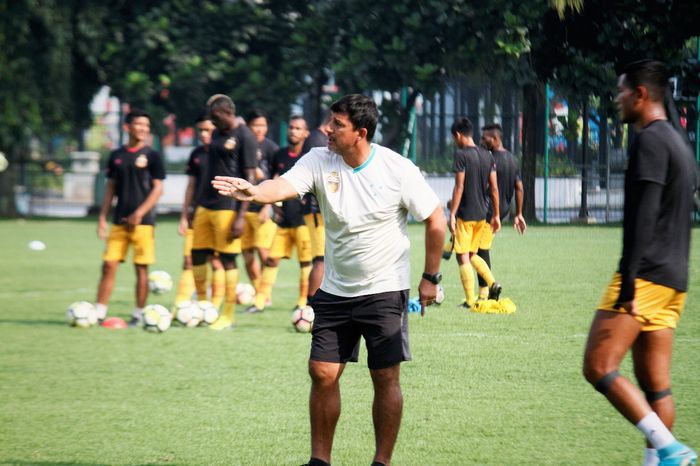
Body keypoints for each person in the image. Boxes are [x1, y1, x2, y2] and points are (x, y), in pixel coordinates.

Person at [212, 94, 445, 466]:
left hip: (384, 289)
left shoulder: (396, 169)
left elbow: (436, 219)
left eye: (337, 124)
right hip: (335, 291)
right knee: (321, 373)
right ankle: (319, 461)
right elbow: (284, 185)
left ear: (360, 133)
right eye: (330, 121)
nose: (327, 129)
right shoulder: (319, 159)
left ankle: (381, 462)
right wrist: (255, 192)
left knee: (384, 377)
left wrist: (430, 277)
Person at [582, 60, 697, 466]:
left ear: (641, 95)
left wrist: (628, 281)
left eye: (622, 92)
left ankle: (670, 450)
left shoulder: (649, 140)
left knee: (598, 365)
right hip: (674, 279)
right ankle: (661, 461)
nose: (617, 100)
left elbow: (644, 216)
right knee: (657, 388)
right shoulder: (680, 143)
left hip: (644, 276)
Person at [190, 94, 257, 330]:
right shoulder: (218, 134)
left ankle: (228, 315)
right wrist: (193, 206)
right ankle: (203, 308)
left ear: (227, 112)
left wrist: (241, 216)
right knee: (197, 254)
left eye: (215, 117)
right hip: (204, 205)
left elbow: (249, 177)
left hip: (227, 207)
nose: (212, 122)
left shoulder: (245, 135)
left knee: (227, 259)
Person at [95, 109, 165, 326]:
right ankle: (99, 312)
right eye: (139, 124)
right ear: (127, 127)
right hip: (119, 221)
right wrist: (102, 217)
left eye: (146, 125)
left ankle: (138, 313)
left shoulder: (153, 156)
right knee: (108, 265)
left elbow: (158, 189)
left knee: (141, 268)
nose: (143, 129)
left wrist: (140, 213)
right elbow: (111, 188)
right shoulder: (116, 156)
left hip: (143, 224)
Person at [247, 116, 312, 313]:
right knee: (271, 259)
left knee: (306, 262)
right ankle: (260, 301)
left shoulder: (310, 158)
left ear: (306, 133)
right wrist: (272, 205)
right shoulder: (280, 155)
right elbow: (274, 180)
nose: (293, 131)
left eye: (298, 128)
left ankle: (302, 302)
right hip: (283, 220)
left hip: (303, 221)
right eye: (291, 127)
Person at [448, 116, 501, 308]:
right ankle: (493, 283)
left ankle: (470, 301)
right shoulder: (488, 155)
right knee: (471, 254)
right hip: (482, 213)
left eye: (455, 138)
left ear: (459, 135)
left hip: (466, 213)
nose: (455, 141)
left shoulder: (461, 155)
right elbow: (494, 189)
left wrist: (452, 214)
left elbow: (459, 186)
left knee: (462, 256)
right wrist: (495, 215)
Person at [175, 115, 224, 306]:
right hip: (198, 214)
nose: (204, 134)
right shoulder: (196, 154)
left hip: (220, 213)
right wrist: (184, 216)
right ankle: (183, 303)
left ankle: (215, 305)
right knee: (189, 260)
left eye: (208, 130)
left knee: (217, 260)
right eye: (201, 130)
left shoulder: (223, 152)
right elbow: (190, 186)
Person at [475, 123, 526, 299]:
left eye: (484, 138)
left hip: (489, 210)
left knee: (477, 251)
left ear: (495, 139)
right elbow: (519, 187)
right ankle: (485, 293)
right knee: (480, 249)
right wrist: (518, 213)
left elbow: (489, 187)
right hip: (501, 210)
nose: (481, 141)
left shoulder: (490, 159)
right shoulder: (512, 159)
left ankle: (488, 291)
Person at [242, 109, 279, 295]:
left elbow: (276, 178)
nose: (259, 129)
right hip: (243, 209)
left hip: (263, 208)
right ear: (248, 126)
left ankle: (265, 295)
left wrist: (267, 206)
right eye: (255, 125)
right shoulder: (242, 146)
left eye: (262, 125)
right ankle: (258, 293)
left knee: (263, 252)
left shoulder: (271, 149)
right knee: (247, 255)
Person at [301, 113, 331, 302]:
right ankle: (311, 305)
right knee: (320, 259)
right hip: (316, 210)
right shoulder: (317, 140)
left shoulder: (317, 138)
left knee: (324, 260)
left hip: (318, 210)